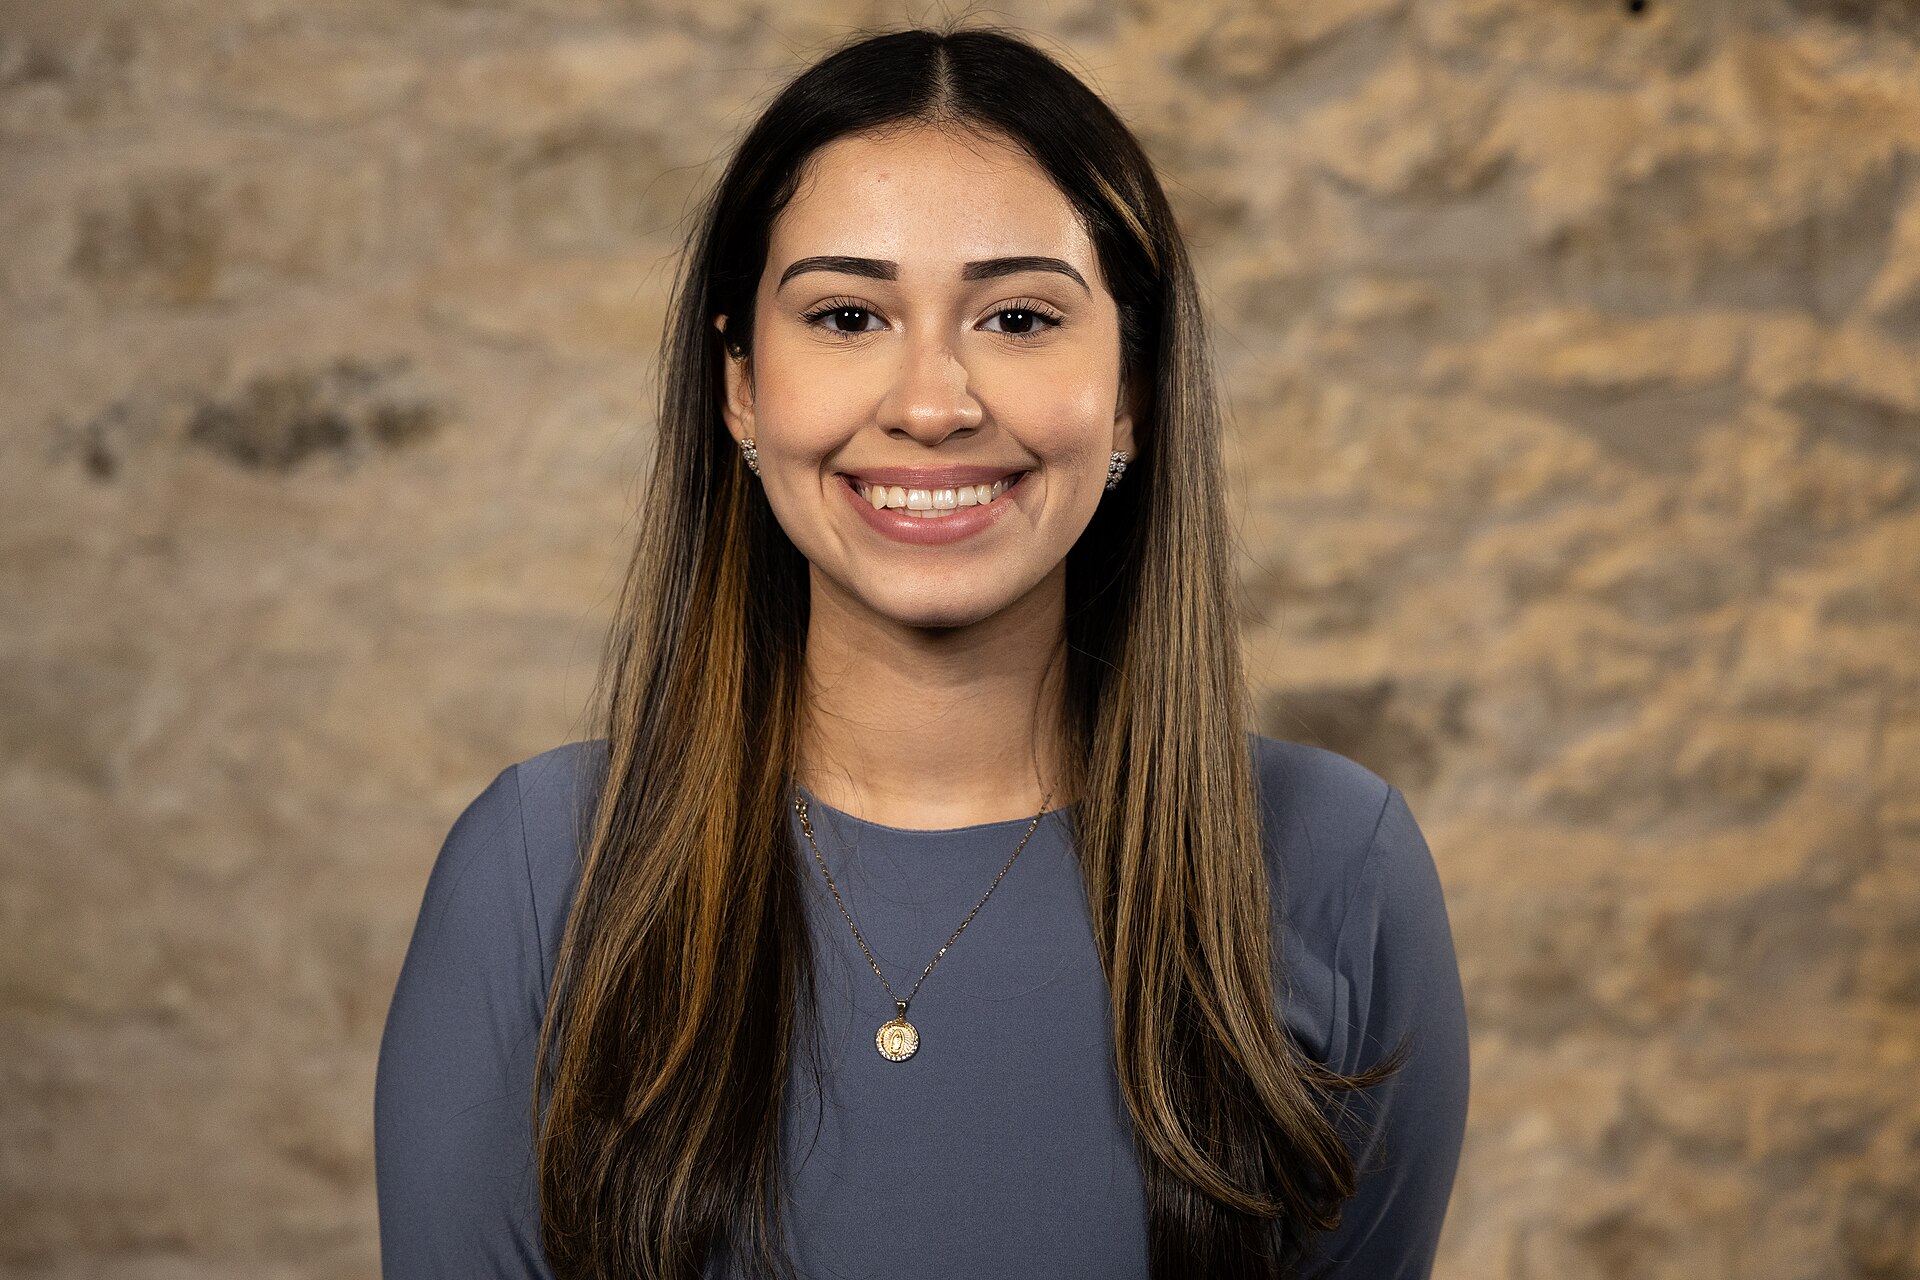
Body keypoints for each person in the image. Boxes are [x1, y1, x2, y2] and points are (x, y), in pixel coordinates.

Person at [374, 23, 1469, 1280]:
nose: (933, 401)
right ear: (740, 383)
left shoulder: (1338, 868)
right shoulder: (537, 871)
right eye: (847, 314)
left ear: (1131, 389)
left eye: (1016, 315)